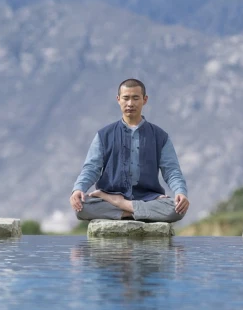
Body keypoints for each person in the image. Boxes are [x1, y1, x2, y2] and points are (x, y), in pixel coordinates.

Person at [70, 78, 190, 223]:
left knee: (176, 210)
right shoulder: (104, 135)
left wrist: (181, 193)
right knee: (81, 208)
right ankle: (136, 211)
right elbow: (91, 168)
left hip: (148, 197)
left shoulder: (160, 136)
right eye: (126, 98)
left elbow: (172, 171)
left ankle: (120, 205)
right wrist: (78, 189)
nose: (130, 103)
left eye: (135, 98)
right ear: (118, 99)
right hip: (112, 194)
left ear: (144, 100)